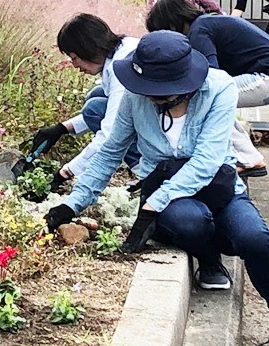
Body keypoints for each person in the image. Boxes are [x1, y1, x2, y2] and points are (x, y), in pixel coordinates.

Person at [45, 31, 269, 300]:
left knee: (256, 239)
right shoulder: (134, 96)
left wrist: (153, 204)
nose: (149, 98)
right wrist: (72, 203)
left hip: (218, 188)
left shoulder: (219, 89)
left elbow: (207, 160)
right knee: (190, 221)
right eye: (145, 90)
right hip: (171, 197)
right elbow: (110, 152)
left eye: (158, 94)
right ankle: (209, 260)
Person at [146, 0, 269, 177]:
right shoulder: (207, 22)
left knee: (211, 97)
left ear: (172, 24)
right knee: (214, 97)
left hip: (264, 77)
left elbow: (211, 77)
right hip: (260, 75)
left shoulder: (199, 29)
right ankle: (248, 157)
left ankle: (248, 159)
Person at [29, 13, 140, 189]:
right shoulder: (122, 48)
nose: (74, 65)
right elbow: (113, 107)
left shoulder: (122, 67)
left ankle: (145, 171)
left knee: (94, 107)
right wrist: (62, 128)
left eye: (74, 57)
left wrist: (65, 172)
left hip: (164, 133)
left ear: (88, 48)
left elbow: (110, 132)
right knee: (97, 96)